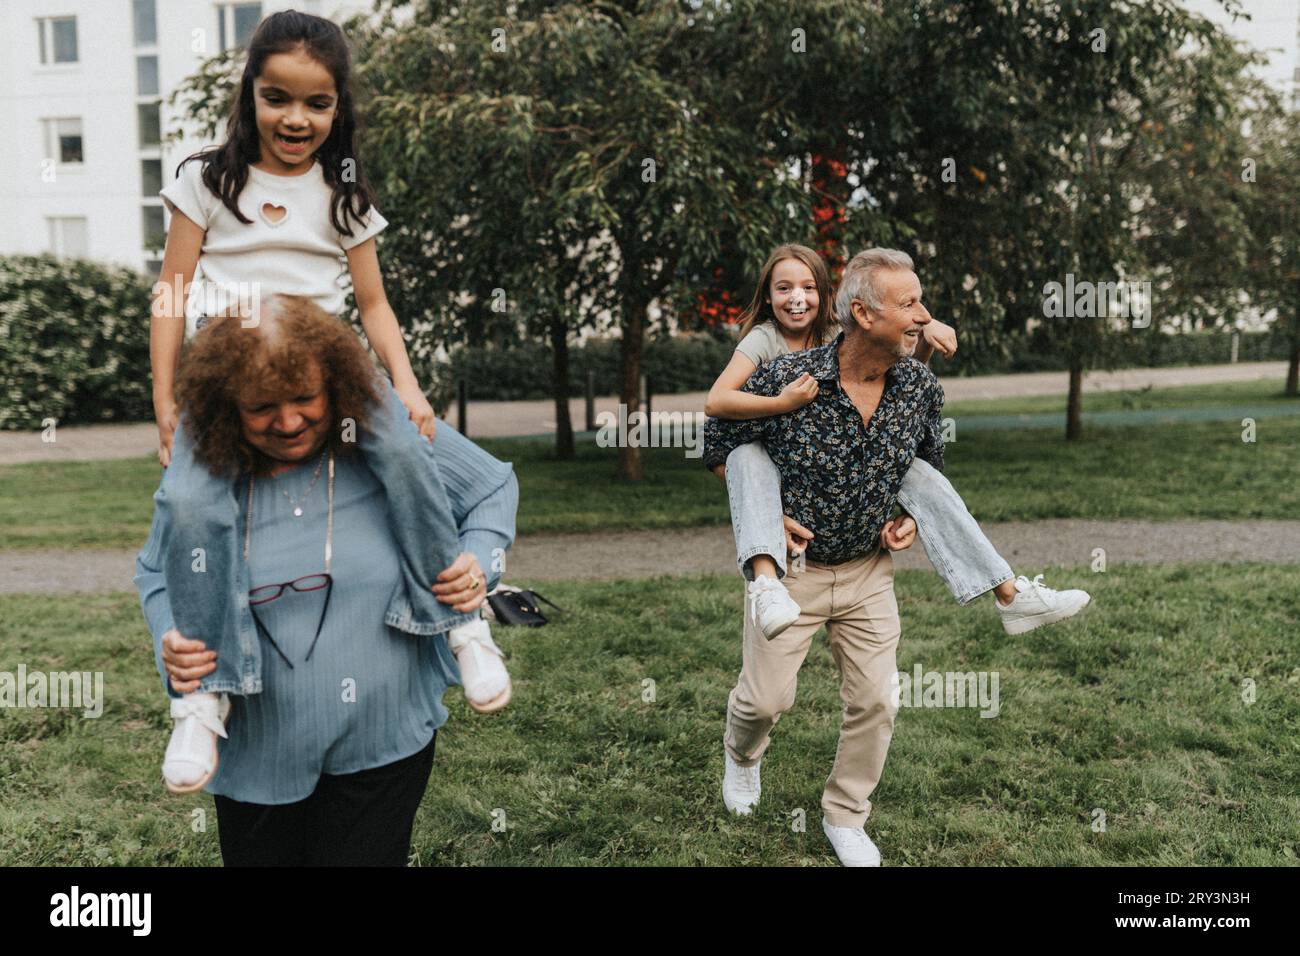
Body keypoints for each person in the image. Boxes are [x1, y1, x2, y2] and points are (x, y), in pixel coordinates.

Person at [148, 11, 510, 795]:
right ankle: (205, 695)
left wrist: (407, 388)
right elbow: (173, 293)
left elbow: (374, 307)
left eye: (316, 104)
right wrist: (165, 396)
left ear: (338, 108)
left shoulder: (344, 195)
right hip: (229, 364)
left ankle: (462, 625)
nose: (296, 118)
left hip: (326, 357)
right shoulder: (205, 180)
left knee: (409, 457)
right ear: (250, 95)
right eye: (277, 98)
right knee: (187, 501)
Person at [703, 248, 1089, 867]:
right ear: (861, 312)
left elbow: (926, 464)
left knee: (878, 702)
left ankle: (846, 816)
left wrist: (908, 519)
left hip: (866, 575)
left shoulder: (917, 388)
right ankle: (742, 757)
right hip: (794, 574)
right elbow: (722, 440)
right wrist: (767, 514)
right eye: (909, 305)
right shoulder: (790, 378)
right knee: (764, 702)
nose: (923, 317)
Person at [134, 296, 519, 865]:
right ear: (226, 405)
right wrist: (172, 635)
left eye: (304, 398)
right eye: (261, 406)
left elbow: (492, 488)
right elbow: (155, 573)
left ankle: (467, 635)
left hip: (381, 738)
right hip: (257, 749)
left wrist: (478, 564)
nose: (288, 422)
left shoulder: (388, 444)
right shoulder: (207, 481)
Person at [703, 243, 1091, 641]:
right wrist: (781, 413)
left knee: (921, 469)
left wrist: (923, 332)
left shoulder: (841, 337)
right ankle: (765, 583)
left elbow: (898, 396)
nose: (797, 298)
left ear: (827, 297)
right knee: (746, 456)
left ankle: (1009, 594)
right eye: (783, 288)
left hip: (863, 556)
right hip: (792, 534)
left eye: (808, 288)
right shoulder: (768, 350)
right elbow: (716, 416)